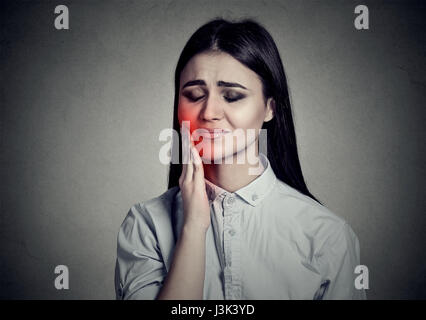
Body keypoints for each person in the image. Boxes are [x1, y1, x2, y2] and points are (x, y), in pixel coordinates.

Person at [114, 18, 366, 300]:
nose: (209, 112)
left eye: (232, 96)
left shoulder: (327, 235)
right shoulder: (145, 223)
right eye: (194, 95)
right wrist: (193, 226)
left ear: (270, 108)